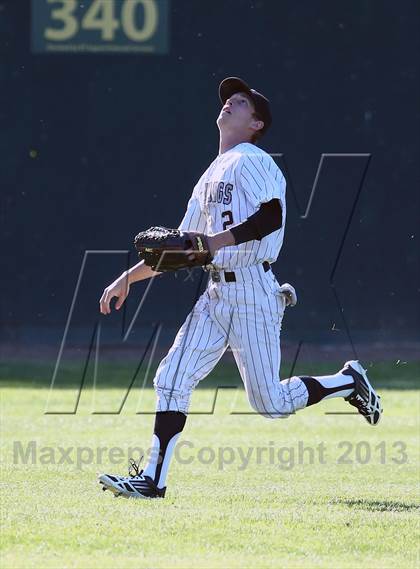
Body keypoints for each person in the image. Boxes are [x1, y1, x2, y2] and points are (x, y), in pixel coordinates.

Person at [98, 77, 382, 499]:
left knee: (271, 403)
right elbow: (181, 248)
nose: (230, 102)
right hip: (215, 295)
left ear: (257, 124)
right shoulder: (209, 175)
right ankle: (153, 481)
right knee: (171, 378)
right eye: (228, 99)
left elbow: (271, 217)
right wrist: (128, 279)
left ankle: (347, 381)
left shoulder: (252, 159)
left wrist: (214, 243)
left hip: (253, 292)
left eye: (242, 102)